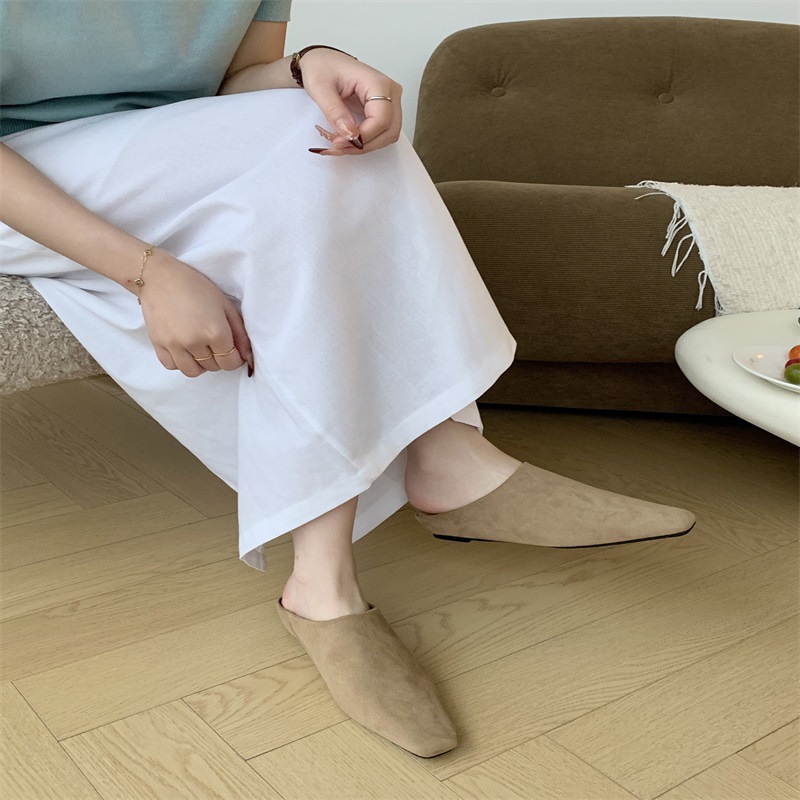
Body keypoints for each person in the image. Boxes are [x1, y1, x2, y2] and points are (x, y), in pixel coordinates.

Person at [0, 0, 696, 759]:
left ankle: (339, 567)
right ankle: (430, 478)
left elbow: (228, 85)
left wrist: (308, 66)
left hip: (154, 159)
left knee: (337, 134)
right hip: (18, 174)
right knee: (302, 142)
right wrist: (146, 271)